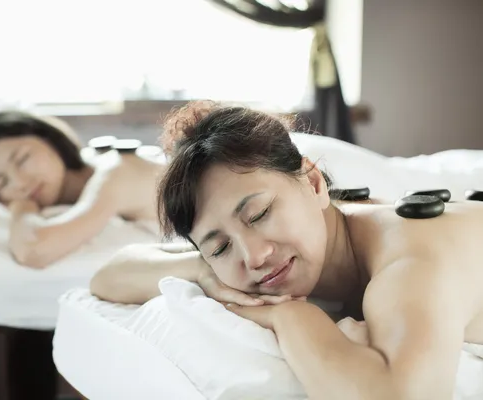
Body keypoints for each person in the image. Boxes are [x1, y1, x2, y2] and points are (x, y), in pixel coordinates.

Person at [90, 101, 483, 399]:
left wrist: (293, 317)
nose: (253, 256)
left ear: (313, 183)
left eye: (259, 214)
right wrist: (204, 270)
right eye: (221, 246)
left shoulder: (410, 261)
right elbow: (109, 275)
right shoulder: (318, 234)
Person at [0, 111, 164, 268]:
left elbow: (34, 250)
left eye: (22, 159)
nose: (20, 183)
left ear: (51, 141)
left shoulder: (116, 173)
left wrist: (21, 207)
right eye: (2, 182)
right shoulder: (87, 168)